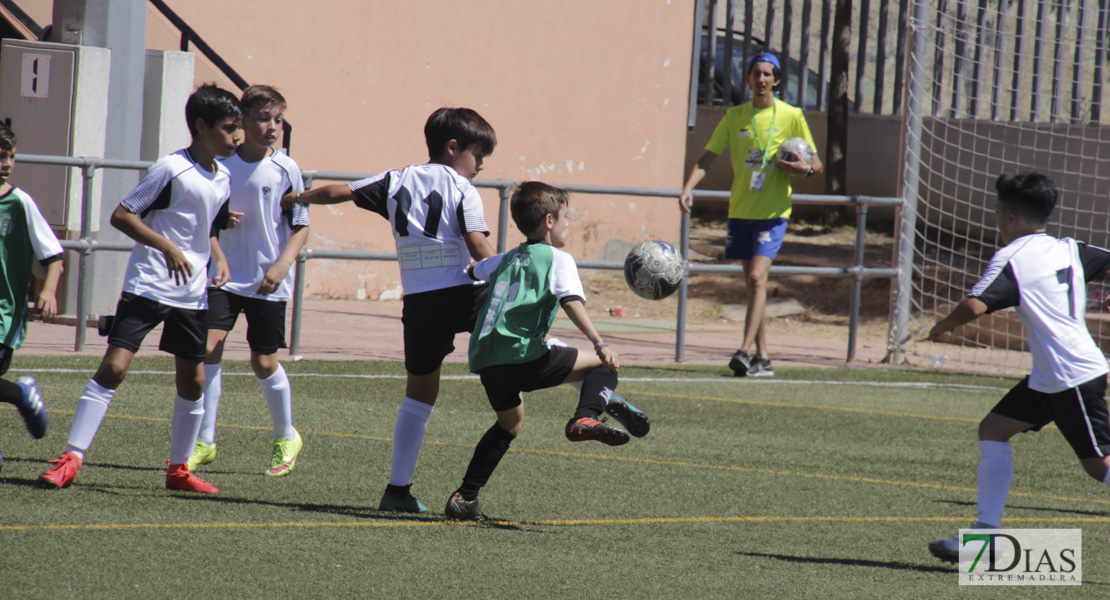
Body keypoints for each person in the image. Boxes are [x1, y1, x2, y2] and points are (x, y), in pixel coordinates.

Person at [280, 107, 497, 512]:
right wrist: (516, 267)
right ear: (453, 148)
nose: (481, 164)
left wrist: (299, 197)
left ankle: (397, 491)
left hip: (420, 302)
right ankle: (587, 386)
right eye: (478, 154)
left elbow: (335, 193)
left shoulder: (395, 180)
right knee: (522, 341)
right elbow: (478, 246)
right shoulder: (464, 188)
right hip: (466, 293)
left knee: (419, 395)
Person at [38, 84, 242, 493]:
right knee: (114, 367)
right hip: (148, 284)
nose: (237, 136)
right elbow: (122, 215)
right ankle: (71, 456)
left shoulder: (224, 176)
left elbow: (208, 229)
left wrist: (217, 257)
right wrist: (166, 246)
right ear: (201, 127)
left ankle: (179, 470)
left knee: (194, 381)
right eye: (229, 128)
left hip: (192, 292)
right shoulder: (169, 168)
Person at [926, 172, 1110, 563]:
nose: (995, 219)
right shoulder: (1069, 248)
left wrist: (943, 327)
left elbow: (975, 305)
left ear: (1009, 217)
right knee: (993, 429)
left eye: (996, 211)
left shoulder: (1013, 256)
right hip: (1055, 374)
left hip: (1070, 374)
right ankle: (985, 539)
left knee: (1099, 465)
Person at [444, 181, 651, 521]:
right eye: (567, 217)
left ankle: (464, 498)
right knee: (603, 367)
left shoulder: (504, 260)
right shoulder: (558, 259)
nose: (570, 224)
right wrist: (601, 343)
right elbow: (571, 302)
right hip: (522, 355)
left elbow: (473, 270)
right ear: (550, 221)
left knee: (510, 424)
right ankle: (587, 413)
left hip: (485, 359)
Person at [678, 52, 824, 378]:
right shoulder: (735, 117)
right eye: (756, 73)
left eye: (767, 75)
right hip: (740, 211)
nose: (761, 79)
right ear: (748, 79)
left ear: (776, 80)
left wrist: (804, 170)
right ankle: (764, 358)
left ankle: (743, 350)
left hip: (773, 213)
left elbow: (815, 164)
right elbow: (707, 158)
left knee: (758, 279)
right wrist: (688, 187)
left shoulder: (791, 115)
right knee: (752, 287)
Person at [189, 85, 309, 477]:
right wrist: (217, 223)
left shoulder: (286, 168)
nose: (273, 127)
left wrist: (282, 265)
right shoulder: (221, 164)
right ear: (242, 121)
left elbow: (301, 226)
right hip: (223, 276)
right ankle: (205, 441)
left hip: (267, 282)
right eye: (263, 118)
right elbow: (203, 213)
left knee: (263, 361)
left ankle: (285, 436)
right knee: (209, 350)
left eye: (278, 120)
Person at [0, 123, 64, 472]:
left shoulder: (20, 202)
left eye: (10, 156)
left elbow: (54, 257)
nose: (6, 163)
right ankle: (20, 395)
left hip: (4, 311)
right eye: (0, 157)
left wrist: (49, 290)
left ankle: (22, 396)